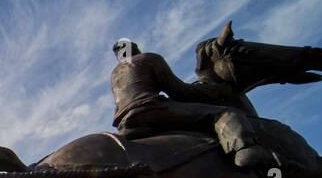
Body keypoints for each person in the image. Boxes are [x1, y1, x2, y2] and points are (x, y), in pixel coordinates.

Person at [110, 39, 275, 169]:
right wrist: (213, 91)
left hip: (125, 124)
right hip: (152, 110)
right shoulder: (148, 59)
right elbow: (179, 91)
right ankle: (245, 150)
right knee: (226, 113)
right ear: (136, 49)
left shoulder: (115, 73)